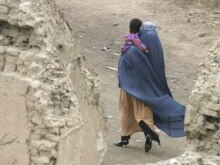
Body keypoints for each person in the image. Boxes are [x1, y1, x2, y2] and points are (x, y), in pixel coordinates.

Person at [114, 22, 186, 153]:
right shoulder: (155, 49)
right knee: (144, 113)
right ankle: (148, 134)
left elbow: (123, 67)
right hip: (147, 90)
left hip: (129, 87)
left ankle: (124, 138)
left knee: (126, 111)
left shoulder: (132, 50)